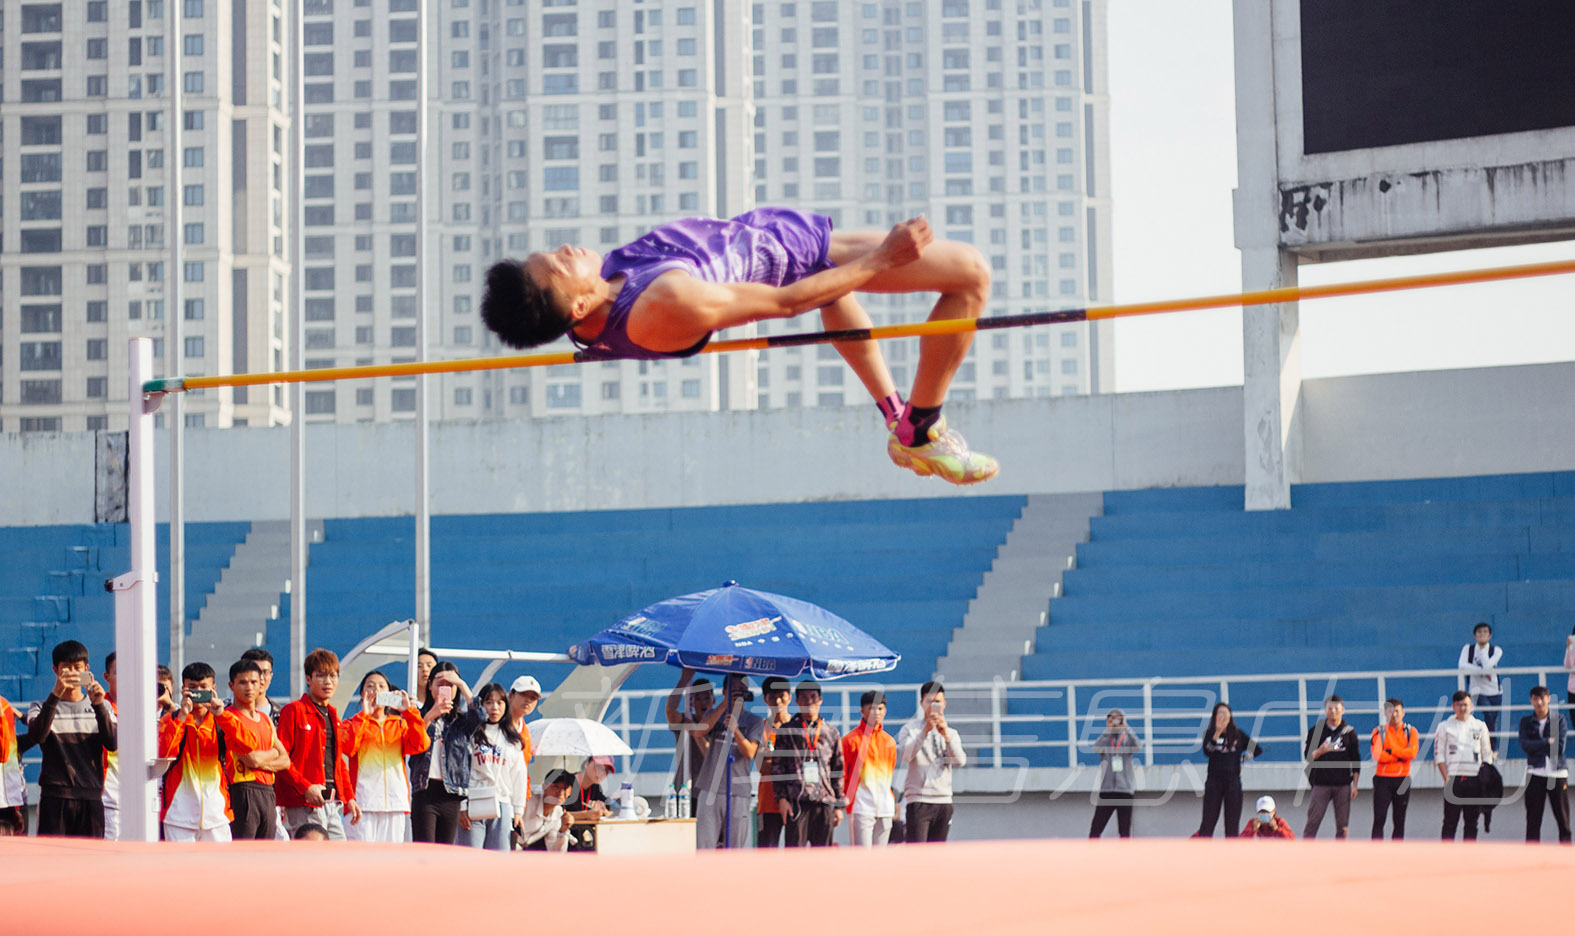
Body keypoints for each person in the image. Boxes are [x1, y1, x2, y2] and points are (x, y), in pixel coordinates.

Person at [481, 210, 998, 486]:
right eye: (556, 265)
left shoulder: (599, 292)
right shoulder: (665, 305)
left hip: (784, 232)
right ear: (574, 308)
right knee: (970, 275)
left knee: (861, 282)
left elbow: (564, 318)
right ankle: (922, 427)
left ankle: (899, 419)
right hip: (799, 255)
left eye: (547, 253)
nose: (564, 251)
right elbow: (788, 302)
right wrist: (886, 257)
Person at [22, 640, 116, 837]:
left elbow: (112, 743)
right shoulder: (40, 707)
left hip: (90, 796)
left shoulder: (103, 706)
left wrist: (98, 705)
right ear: (55, 670)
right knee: (53, 861)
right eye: (66, 668)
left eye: (77, 668)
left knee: (91, 861)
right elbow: (37, 735)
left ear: (87, 669)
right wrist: (55, 695)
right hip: (55, 797)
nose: (73, 673)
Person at [158, 662, 252, 842]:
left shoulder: (223, 720)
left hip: (216, 816)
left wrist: (221, 715)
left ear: (213, 689)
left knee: (219, 869)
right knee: (180, 870)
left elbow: (248, 745)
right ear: (184, 689)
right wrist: (182, 716)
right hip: (179, 817)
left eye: (204, 688)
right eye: (193, 688)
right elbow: (165, 753)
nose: (198, 693)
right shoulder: (171, 719)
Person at [276, 648, 361, 839]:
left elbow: (338, 762)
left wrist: (350, 799)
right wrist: (305, 787)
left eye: (333, 676)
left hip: (332, 802)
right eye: (321, 676)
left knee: (338, 856)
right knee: (310, 859)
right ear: (308, 679)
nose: (328, 681)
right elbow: (281, 759)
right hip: (303, 801)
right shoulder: (293, 711)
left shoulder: (333, 715)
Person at [340, 670, 429, 843]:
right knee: (362, 861)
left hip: (395, 803)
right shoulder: (351, 723)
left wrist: (409, 712)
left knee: (391, 861)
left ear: (389, 693)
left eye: (381, 686)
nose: (375, 690)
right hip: (362, 804)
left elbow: (421, 745)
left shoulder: (400, 724)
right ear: (362, 694)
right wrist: (364, 716)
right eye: (370, 686)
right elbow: (349, 748)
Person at [408, 662, 480, 845]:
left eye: (450, 684)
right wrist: (429, 716)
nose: (445, 688)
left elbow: (481, 719)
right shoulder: (416, 714)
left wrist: (462, 685)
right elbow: (413, 743)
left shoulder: (461, 721)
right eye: (440, 683)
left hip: (451, 793)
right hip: (425, 791)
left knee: (445, 851)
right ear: (430, 684)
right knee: (424, 850)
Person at [769, 679, 845, 847]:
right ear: (796, 701)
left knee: (823, 857)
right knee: (795, 857)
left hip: (824, 801)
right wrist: (781, 798)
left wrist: (839, 806)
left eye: (813, 697)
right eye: (804, 698)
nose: (809, 702)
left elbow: (837, 770)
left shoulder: (831, 732)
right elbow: (778, 768)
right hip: (796, 801)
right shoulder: (787, 730)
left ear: (820, 700)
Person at [223, 659, 292, 840]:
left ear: (261, 684)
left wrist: (263, 761)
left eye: (253, 682)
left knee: (265, 852)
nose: (249, 688)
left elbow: (285, 760)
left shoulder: (265, 718)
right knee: (244, 851)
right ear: (231, 685)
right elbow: (251, 759)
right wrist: (272, 754)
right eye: (243, 683)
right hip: (243, 789)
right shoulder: (229, 718)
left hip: (268, 791)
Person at [693, 674, 764, 849]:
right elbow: (699, 733)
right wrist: (725, 705)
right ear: (724, 691)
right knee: (705, 844)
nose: (737, 694)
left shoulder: (754, 721)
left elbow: (749, 752)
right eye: (733, 690)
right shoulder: (713, 715)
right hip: (710, 788)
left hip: (738, 790)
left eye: (741, 690)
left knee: (735, 846)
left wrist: (736, 731)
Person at [462, 682, 531, 851]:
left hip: (502, 804)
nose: (494, 708)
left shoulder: (512, 740)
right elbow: (462, 771)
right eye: (488, 702)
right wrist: (462, 805)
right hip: (474, 802)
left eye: (499, 703)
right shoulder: (470, 734)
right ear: (481, 705)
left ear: (505, 705)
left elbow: (519, 777)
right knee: (470, 858)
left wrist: (518, 811)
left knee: (498, 859)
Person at [895, 680, 967, 843]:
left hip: (944, 800)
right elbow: (906, 756)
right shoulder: (910, 729)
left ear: (944, 703)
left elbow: (960, 761)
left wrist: (946, 736)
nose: (934, 706)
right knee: (917, 852)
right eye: (929, 702)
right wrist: (924, 732)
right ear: (921, 703)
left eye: (938, 702)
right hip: (918, 800)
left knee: (938, 853)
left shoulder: (951, 732)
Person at [1195, 702, 1261, 838]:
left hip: (1233, 783)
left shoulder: (1238, 734)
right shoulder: (1209, 734)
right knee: (1208, 821)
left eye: (1225, 713)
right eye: (1220, 713)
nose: (1223, 716)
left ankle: (1231, 856)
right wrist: (1218, 732)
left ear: (1230, 716)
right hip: (1214, 782)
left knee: (1232, 824)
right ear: (1214, 716)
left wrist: (1242, 759)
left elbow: (1257, 749)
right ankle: (1201, 853)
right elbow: (1207, 751)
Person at [1436, 690, 1494, 841]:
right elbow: (1439, 755)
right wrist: (1446, 779)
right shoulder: (1444, 726)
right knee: (1449, 822)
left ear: (1472, 706)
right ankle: (1447, 858)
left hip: (1475, 779)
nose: (1463, 708)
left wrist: (1485, 780)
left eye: (1466, 705)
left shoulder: (1480, 726)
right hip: (1453, 779)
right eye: (1459, 705)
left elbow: (1487, 754)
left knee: (1471, 822)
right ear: (1453, 707)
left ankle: (1469, 859)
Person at [842, 690, 898, 847]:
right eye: (871, 708)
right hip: (861, 807)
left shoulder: (889, 742)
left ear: (885, 711)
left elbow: (890, 775)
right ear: (862, 711)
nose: (876, 713)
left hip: (885, 808)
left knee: (880, 859)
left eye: (880, 709)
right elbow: (842, 775)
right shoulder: (849, 740)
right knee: (862, 858)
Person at [1517, 685, 1571, 843]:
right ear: (1531, 700)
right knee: (1533, 820)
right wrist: (1547, 741)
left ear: (1548, 698)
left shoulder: (1559, 719)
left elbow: (1560, 747)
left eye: (1542, 698)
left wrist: (1538, 745)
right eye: (1535, 698)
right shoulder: (1526, 722)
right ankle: (1531, 860)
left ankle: (1567, 858)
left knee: (1563, 819)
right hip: (1536, 773)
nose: (1539, 702)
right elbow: (1525, 746)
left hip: (1557, 774)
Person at [1301, 694, 1359, 839]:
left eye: (1336, 708)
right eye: (1330, 708)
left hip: (1343, 784)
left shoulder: (1349, 732)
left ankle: (1340, 856)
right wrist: (1320, 751)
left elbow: (1356, 760)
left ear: (1342, 710)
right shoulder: (1316, 731)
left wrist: (1355, 785)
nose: (1333, 711)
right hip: (1321, 783)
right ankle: (1304, 854)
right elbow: (1308, 756)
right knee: (1312, 822)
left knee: (1343, 826)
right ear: (1325, 710)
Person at [665, 669, 715, 813]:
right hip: (684, 790)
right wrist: (684, 680)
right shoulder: (685, 721)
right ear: (691, 702)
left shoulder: (719, 725)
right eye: (697, 698)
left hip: (709, 792)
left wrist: (694, 732)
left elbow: (710, 755)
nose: (702, 703)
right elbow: (670, 711)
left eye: (706, 698)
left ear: (713, 701)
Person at [1369, 697, 1419, 840]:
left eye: (1397, 711)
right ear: (1385, 713)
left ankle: (1396, 855)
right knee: (1379, 818)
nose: (1394, 714)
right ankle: (1376, 853)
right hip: (1382, 779)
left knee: (1399, 820)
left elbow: (1412, 753)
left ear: (1403, 712)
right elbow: (1377, 755)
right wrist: (1400, 754)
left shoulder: (1411, 731)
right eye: (1391, 711)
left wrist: (1391, 751)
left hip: (1402, 779)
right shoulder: (1379, 731)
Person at [1088, 709, 1140, 839]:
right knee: (1096, 829)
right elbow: (1096, 748)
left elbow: (1138, 746)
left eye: (1118, 719)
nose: (1115, 723)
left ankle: (1124, 857)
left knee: (1124, 831)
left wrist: (1126, 728)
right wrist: (1107, 730)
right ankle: (1090, 855)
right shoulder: (1105, 740)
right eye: (1112, 720)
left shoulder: (1127, 739)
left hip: (1125, 791)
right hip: (1107, 790)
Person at [755, 677, 795, 848]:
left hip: (796, 800)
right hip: (768, 802)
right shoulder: (760, 729)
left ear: (790, 697)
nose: (778, 701)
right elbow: (761, 766)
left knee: (796, 852)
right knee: (766, 852)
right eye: (772, 697)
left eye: (782, 696)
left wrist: (773, 759)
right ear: (765, 699)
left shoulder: (799, 728)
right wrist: (789, 764)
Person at [1460, 622, 1503, 751]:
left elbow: (1488, 666)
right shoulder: (1468, 649)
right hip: (1476, 690)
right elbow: (1462, 665)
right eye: (1479, 632)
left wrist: (1483, 658)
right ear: (1474, 635)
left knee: (1492, 721)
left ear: (1490, 635)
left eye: (1485, 632)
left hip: (1495, 691)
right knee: (1487, 713)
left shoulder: (1496, 650)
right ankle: (1481, 746)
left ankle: (1491, 748)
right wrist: (1482, 671)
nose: (1482, 634)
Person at [566, 755, 616, 851]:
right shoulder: (567, 782)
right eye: (597, 767)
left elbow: (608, 812)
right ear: (586, 764)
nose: (600, 773)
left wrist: (603, 812)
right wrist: (586, 815)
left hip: (584, 842)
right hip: (563, 841)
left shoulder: (596, 787)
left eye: (605, 770)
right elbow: (555, 814)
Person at [519, 768, 576, 852]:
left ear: (570, 791)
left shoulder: (559, 812)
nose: (560, 792)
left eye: (565, 787)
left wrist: (562, 831)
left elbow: (555, 851)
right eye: (555, 786)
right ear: (544, 786)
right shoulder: (528, 803)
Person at [101, 650, 121, 840]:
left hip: (144, 801)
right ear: (106, 677)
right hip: (110, 801)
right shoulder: (98, 708)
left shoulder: (149, 708)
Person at [0, 693, 24, 836]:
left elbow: (9, 762)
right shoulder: (4, 706)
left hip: (4, 804)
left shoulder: (4, 707)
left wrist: (14, 808)